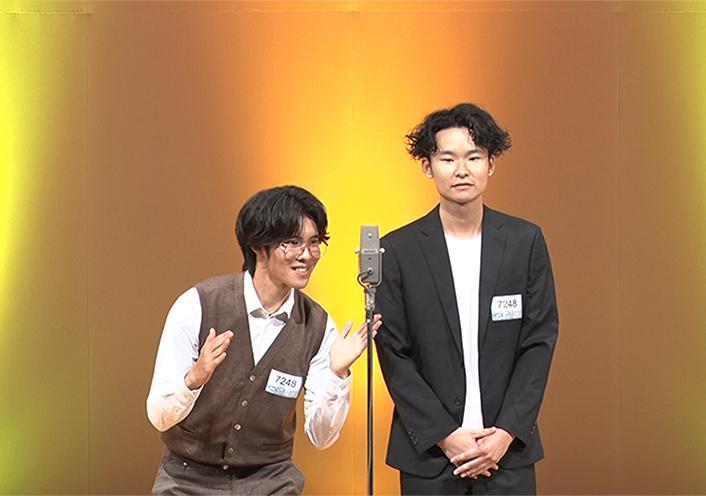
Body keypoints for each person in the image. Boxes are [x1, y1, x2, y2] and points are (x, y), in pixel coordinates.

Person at [147, 185, 381, 495]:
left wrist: (338, 374)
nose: (307, 255)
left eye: (314, 243)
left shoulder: (319, 326)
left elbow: (321, 437)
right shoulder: (198, 305)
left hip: (270, 482)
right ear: (258, 245)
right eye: (292, 242)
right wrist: (194, 379)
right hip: (188, 479)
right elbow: (159, 417)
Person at [375, 103, 558, 495]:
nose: (461, 169)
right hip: (430, 457)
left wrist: (506, 432)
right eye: (448, 158)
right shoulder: (399, 250)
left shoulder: (524, 241)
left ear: (491, 164)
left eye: (474, 157)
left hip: (507, 454)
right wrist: (445, 435)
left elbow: (539, 341)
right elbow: (394, 353)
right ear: (427, 167)